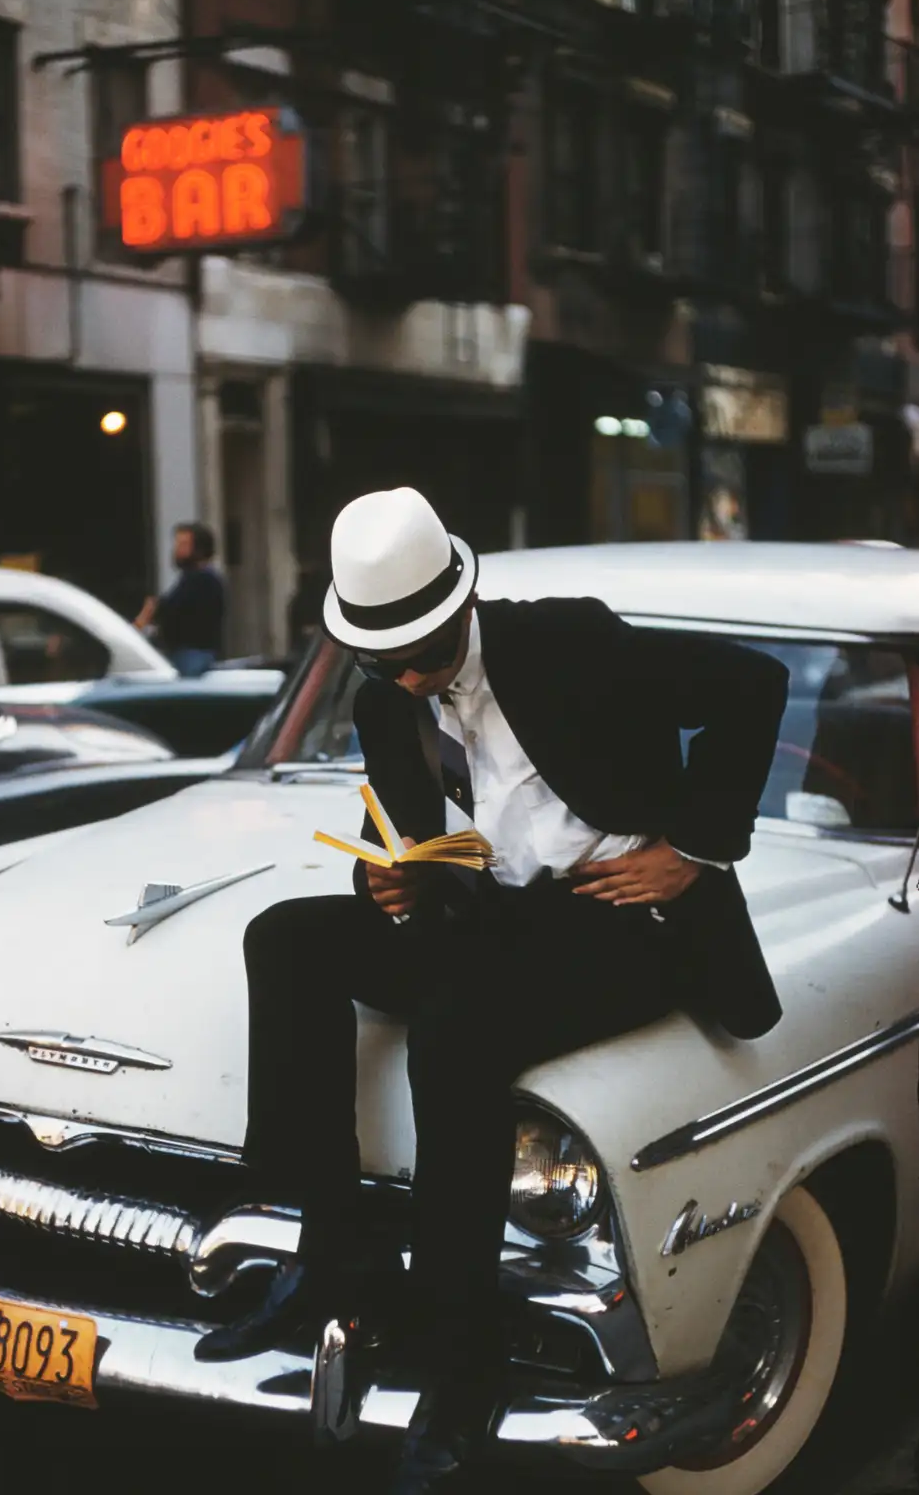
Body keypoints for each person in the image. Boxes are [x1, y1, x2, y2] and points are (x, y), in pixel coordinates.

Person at [195, 487, 789, 1494]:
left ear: (460, 603)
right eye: (389, 659)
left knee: (455, 1036)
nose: (414, 675)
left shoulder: (571, 641)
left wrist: (691, 850)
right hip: (487, 916)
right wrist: (385, 881)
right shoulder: (387, 695)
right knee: (285, 938)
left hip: (621, 918)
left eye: (426, 650)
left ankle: (460, 1364)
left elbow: (752, 684)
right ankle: (325, 1254)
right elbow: (407, 832)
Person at [134, 521, 224, 677]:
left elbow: (176, 612)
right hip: (185, 655)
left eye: (183, 544)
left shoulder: (203, 579)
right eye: (177, 544)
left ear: (199, 548)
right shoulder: (189, 578)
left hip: (193, 656)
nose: (177, 550)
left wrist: (153, 611)